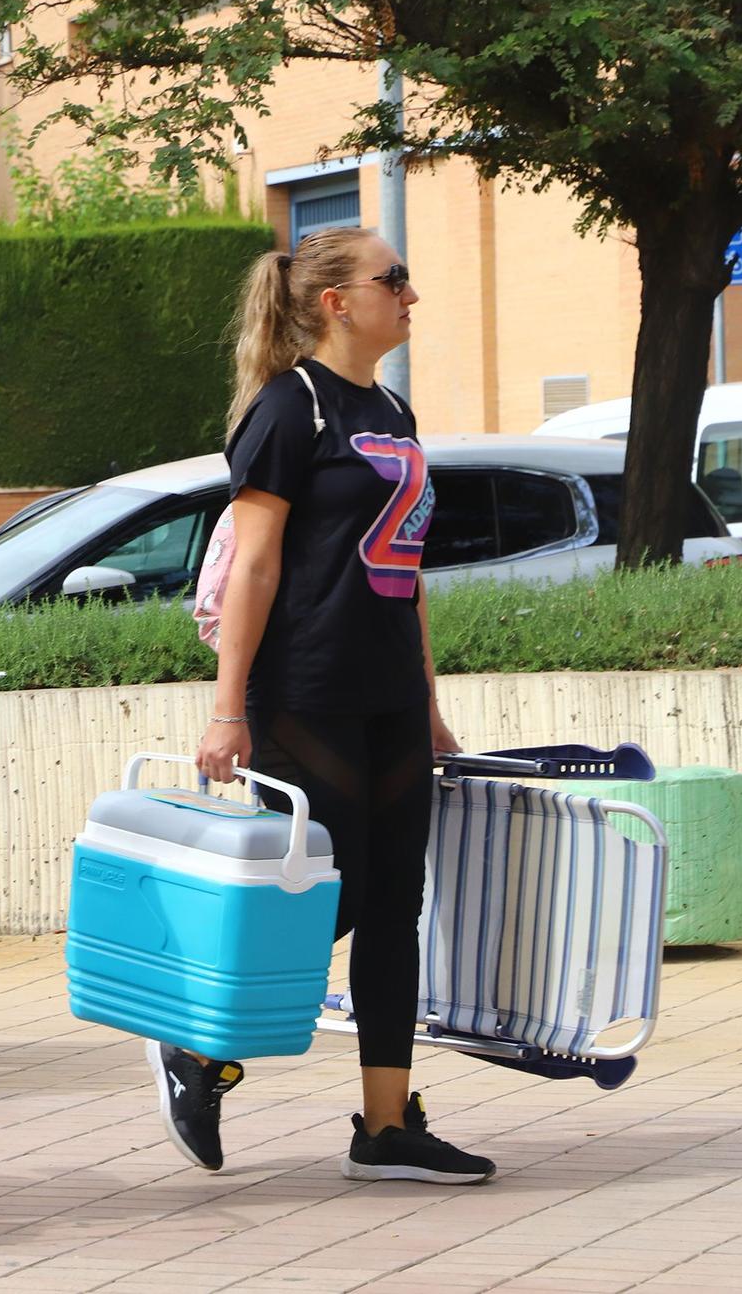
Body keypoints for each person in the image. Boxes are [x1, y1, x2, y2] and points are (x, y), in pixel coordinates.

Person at [161, 227, 494, 1184]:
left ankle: (385, 1127)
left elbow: (411, 571)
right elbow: (255, 563)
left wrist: (428, 698)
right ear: (336, 301)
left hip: (388, 689)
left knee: (398, 902)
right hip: (304, 689)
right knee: (322, 894)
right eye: (396, 279)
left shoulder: (393, 408)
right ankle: (199, 1042)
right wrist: (228, 710)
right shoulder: (287, 407)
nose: (411, 294)